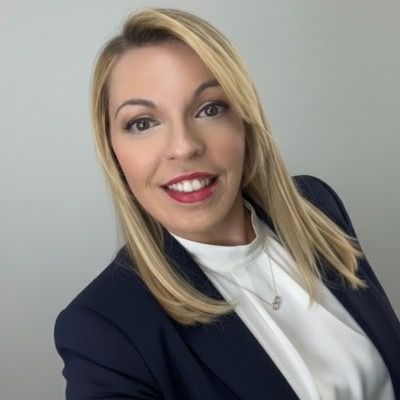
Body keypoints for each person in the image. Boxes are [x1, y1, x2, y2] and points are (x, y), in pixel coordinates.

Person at [54, 8, 400, 400]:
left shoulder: (316, 207)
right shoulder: (102, 331)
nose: (184, 146)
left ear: (245, 123)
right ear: (114, 151)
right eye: (143, 123)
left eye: (210, 109)